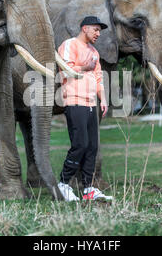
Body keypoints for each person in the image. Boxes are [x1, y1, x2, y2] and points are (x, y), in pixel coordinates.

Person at [56, 16, 112, 201]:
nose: (98, 34)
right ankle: (63, 184)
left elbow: (98, 78)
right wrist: (84, 66)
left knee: (92, 147)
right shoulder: (69, 45)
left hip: (90, 104)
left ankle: (88, 189)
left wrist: (103, 99)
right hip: (74, 101)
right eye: (96, 29)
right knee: (79, 144)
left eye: (99, 31)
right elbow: (64, 70)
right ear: (85, 28)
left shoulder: (94, 52)